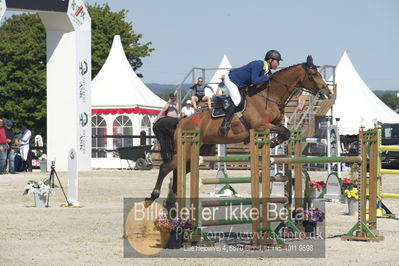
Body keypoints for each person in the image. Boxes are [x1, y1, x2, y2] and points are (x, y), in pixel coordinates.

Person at [220, 50, 283, 135]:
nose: (278, 64)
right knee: (237, 100)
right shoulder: (259, 64)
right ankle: (224, 124)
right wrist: (267, 77)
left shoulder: (267, 71)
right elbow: (255, 80)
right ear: (270, 60)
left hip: (241, 83)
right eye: (277, 61)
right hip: (232, 80)